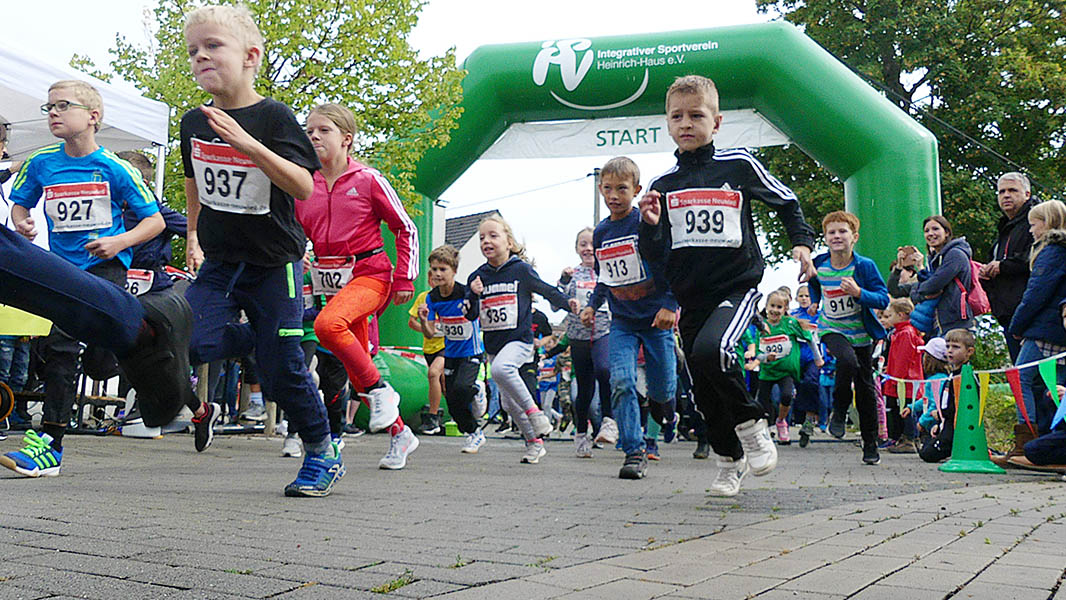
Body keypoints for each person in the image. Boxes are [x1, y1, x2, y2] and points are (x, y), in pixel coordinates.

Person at [180, 6, 340, 496]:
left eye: (213, 46)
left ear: (250, 57)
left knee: (284, 368)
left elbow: (303, 186)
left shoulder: (273, 117)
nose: (201, 56)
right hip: (222, 262)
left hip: (275, 264)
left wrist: (248, 144)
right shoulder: (194, 120)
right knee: (183, 340)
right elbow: (192, 181)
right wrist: (191, 235)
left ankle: (321, 452)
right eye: (192, 50)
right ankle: (259, 340)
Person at [638, 75, 816, 496]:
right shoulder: (662, 186)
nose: (686, 123)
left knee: (713, 350)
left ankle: (754, 426)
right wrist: (648, 227)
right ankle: (729, 460)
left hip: (736, 287)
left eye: (696, 116)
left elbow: (787, 202)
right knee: (702, 383)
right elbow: (657, 253)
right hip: (690, 297)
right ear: (667, 123)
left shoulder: (738, 166)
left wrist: (803, 245)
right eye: (677, 116)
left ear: (715, 123)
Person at [2, 79, 175, 477]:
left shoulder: (116, 168)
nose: (53, 114)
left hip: (106, 268)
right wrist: (23, 223)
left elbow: (154, 221)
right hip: (64, 272)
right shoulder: (42, 162)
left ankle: (179, 397)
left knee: (102, 361)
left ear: (93, 117)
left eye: (63, 106)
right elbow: (20, 206)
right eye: (48, 108)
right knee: (60, 351)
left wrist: (118, 241)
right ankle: (51, 443)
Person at [296, 102, 420, 470]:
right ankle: (401, 434)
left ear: (347, 139)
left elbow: (406, 228)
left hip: (370, 274)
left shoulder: (368, 179)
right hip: (330, 283)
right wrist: (298, 252)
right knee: (356, 366)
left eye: (323, 130)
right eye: (309, 131)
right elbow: (295, 231)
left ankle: (382, 392)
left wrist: (404, 276)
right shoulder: (306, 183)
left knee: (325, 326)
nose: (313, 136)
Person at [581, 156, 677, 480]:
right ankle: (634, 451)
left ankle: (665, 406)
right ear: (599, 189)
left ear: (636, 190)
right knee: (620, 381)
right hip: (621, 320)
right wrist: (593, 305)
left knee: (663, 391)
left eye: (621, 189)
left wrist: (669, 305)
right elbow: (604, 277)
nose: (613, 196)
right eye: (606, 189)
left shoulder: (645, 223)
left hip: (655, 319)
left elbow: (671, 265)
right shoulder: (601, 233)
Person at [469, 214, 572, 464]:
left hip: (520, 341)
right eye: (482, 237)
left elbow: (546, 289)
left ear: (509, 242)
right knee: (506, 402)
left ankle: (536, 414)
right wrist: (473, 295)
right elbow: (470, 314)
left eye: (493, 235)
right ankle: (534, 442)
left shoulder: (520, 270)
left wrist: (568, 304)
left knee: (501, 370)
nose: (486, 241)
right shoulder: (477, 276)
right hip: (495, 344)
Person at [808, 211, 890, 465]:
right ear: (825, 238)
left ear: (854, 237)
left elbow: (883, 298)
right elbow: (813, 282)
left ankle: (870, 444)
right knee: (846, 362)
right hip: (831, 328)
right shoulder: (819, 263)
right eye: (831, 232)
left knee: (866, 392)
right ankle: (839, 410)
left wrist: (859, 292)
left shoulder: (863, 266)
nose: (837, 236)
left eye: (842, 231)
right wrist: (814, 302)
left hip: (861, 334)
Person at [1002, 200, 1066, 463]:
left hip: (1044, 329)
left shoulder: (1051, 252)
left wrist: (1017, 326)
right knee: (1056, 387)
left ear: (1047, 222)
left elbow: (1035, 294)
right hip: (1059, 330)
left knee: (1020, 378)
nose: (1030, 231)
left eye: (1033, 224)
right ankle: (1055, 443)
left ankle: (1025, 443)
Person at [418, 245, 486, 454]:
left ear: (454, 270)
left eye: (443, 269)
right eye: (434, 269)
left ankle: (476, 389)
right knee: (452, 403)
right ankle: (475, 433)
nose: (437, 273)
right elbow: (430, 333)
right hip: (451, 353)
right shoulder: (432, 298)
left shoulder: (464, 292)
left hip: (471, 352)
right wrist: (423, 320)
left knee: (462, 390)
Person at [559, 227, 613, 457]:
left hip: (603, 332)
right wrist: (564, 282)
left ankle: (609, 421)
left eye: (592, 244)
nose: (588, 248)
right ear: (576, 248)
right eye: (583, 244)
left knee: (604, 369)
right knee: (584, 391)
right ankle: (581, 434)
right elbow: (555, 302)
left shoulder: (607, 272)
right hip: (579, 337)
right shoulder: (573, 274)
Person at [750, 289, 822, 446]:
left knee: (788, 395)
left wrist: (818, 358)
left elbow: (809, 338)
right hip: (768, 372)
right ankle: (765, 429)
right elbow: (758, 353)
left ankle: (783, 421)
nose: (775, 310)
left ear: (785, 309)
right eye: (772, 306)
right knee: (766, 402)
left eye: (779, 307)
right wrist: (764, 358)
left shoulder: (790, 323)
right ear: (767, 306)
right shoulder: (762, 327)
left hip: (787, 370)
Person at [979, 172, 1035, 363]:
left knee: (1031, 377)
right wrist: (986, 275)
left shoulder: (1035, 220)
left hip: (1030, 311)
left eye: (1012, 190)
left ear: (1027, 194)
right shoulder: (1004, 228)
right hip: (1007, 312)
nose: (1006, 195)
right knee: (1021, 375)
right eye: (1001, 191)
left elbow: (1035, 257)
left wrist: (1003, 266)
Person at [910, 216, 975, 336]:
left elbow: (933, 285)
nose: (931, 234)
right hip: (939, 322)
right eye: (926, 231)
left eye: (935, 229)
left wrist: (917, 292)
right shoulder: (936, 258)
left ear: (946, 232)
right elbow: (927, 285)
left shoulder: (955, 254)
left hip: (956, 323)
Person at [919, 328, 976, 463]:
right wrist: (939, 424)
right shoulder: (951, 376)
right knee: (926, 447)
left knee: (927, 454)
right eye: (947, 346)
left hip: (958, 427)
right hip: (947, 423)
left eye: (955, 347)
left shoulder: (965, 376)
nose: (950, 350)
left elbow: (959, 407)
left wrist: (941, 415)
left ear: (969, 352)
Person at [880, 297, 923, 453]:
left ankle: (909, 439)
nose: (888, 319)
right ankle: (909, 438)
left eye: (890, 315)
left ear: (901, 315)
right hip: (903, 378)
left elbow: (903, 359)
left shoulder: (905, 333)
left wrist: (895, 378)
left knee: (906, 408)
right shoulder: (900, 332)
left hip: (906, 380)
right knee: (903, 407)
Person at [408, 269, 446, 436]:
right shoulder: (423, 297)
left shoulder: (451, 297)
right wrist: (425, 329)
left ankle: (432, 417)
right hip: (429, 347)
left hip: (447, 346)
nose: (436, 280)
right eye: (432, 277)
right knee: (444, 384)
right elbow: (411, 322)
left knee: (433, 373)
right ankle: (456, 414)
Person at [902, 337, 950, 446]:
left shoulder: (937, 380)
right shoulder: (933, 379)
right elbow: (926, 400)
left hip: (933, 424)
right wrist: (911, 407)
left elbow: (934, 404)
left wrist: (923, 422)